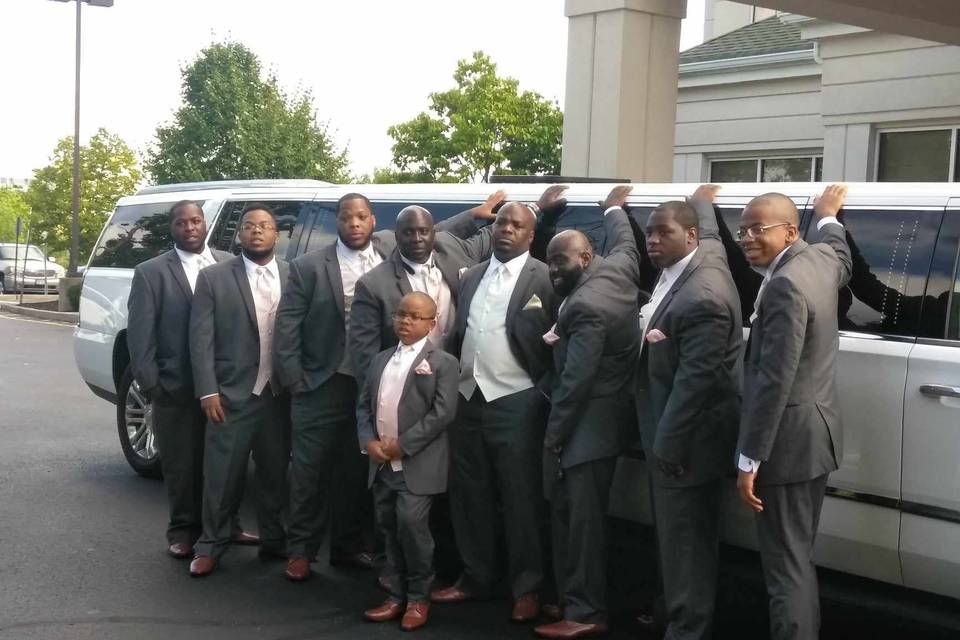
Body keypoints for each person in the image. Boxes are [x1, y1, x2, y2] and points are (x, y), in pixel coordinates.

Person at [273, 192, 502, 582]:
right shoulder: (310, 266)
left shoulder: (390, 247)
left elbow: (433, 232)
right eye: (347, 218)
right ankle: (301, 550)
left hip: (399, 384)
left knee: (355, 472)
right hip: (329, 381)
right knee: (310, 471)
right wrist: (296, 379)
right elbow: (288, 326)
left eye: (362, 217)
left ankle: (348, 546)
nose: (355, 224)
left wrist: (476, 215)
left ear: (374, 222)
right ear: (338, 221)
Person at [430, 201, 558, 623]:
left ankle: (527, 587)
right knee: (470, 495)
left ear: (530, 235)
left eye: (516, 225)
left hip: (517, 401)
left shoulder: (547, 276)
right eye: (501, 222)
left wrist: (541, 392)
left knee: (521, 498)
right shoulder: (471, 276)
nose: (505, 229)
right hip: (468, 399)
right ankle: (475, 576)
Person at [736, 185, 852, 640]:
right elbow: (840, 253)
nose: (746, 237)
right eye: (742, 229)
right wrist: (829, 216)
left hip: (786, 444)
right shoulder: (819, 261)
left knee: (785, 567)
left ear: (789, 232)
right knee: (797, 557)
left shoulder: (785, 284)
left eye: (757, 229)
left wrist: (749, 459)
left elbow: (773, 380)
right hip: (816, 438)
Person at [634, 184, 742, 640]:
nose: (652, 241)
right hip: (668, 429)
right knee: (675, 541)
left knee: (686, 547)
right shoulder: (696, 262)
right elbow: (717, 240)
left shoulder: (703, 295)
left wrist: (667, 447)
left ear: (691, 237)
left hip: (685, 444)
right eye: (648, 233)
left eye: (664, 232)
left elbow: (694, 384)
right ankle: (672, 613)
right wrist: (702, 200)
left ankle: (686, 629)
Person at [534, 186, 640, 639]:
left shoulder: (584, 307)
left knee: (581, 526)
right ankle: (573, 599)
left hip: (585, 430)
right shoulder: (618, 269)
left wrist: (553, 438)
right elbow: (629, 244)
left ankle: (584, 612)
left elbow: (574, 386)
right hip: (609, 420)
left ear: (586, 256)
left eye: (561, 261)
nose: (553, 270)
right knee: (584, 521)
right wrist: (614, 209)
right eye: (550, 261)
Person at [126, 200, 256, 559]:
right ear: (173, 228)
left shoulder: (228, 264)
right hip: (176, 387)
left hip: (224, 385)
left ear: (206, 224)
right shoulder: (151, 273)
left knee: (224, 462)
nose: (190, 228)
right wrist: (154, 385)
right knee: (182, 463)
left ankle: (226, 524)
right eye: (182, 223)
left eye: (196, 221)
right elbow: (140, 337)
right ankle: (183, 529)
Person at [187, 203, 291, 577]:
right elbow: (200, 340)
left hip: (279, 396)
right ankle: (211, 544)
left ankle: (276, 541)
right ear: (239, 234)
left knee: (276, 474)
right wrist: (207, 391)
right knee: (222, 475)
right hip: (230, 396)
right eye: (249, 226)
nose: (257, 231)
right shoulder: (214, 277)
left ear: (276, 234)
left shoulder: (294, 274)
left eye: (265, 226)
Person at [357, 292, 460, 632]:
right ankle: (395, 593)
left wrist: (404, 445)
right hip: (382, 464)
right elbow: (363, 405)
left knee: (412, 528)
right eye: (401, 314)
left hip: (416, 464)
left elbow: (442, 413)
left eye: (415, 317)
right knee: (387, 527)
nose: (405, 321)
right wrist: (368, 442)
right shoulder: (380, 359)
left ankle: (418, 597)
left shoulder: (443, 362)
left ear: (432, 324)